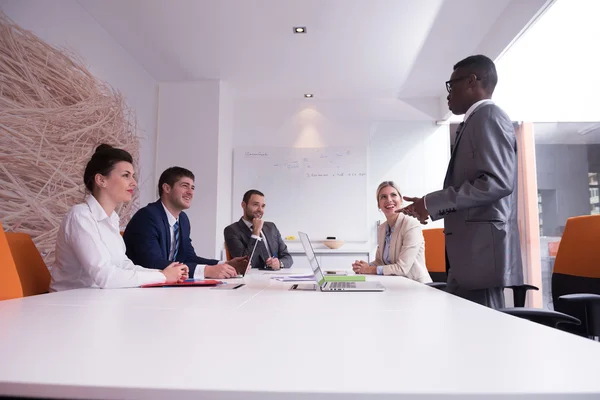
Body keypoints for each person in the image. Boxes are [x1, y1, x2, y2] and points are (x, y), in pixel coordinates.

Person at [400, 55, 523, 308]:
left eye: (451, 84)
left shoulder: (489, 116)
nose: (447, 93)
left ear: (471, 81)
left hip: (480, 255)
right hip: (468, 255)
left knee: (483, 335)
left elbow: (497, 182)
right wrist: (427, 205)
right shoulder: (475, 120)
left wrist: (431, 203)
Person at [50, 145, 187, 292]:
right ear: (101, 180)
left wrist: (162, 273)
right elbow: (105, 276)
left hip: (98, 300)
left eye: (132, 176)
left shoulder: (112, 219)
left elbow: (124, 265)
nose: (134, 182)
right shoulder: (80, 217)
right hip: (68, 305)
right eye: (126, 175)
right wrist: (163, 277)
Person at [124, 167, 247, 279]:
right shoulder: (147, 217)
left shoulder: (183, 219)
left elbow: (188, 258)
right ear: (166, 188)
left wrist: (225, 264)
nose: (190, 192)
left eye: (192, 188)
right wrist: (206, 271)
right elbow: (152, 262)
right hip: (139, 290)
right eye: (185, 186)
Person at [351, 181, 432, 283]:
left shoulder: (411, 224)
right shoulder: (382, 228)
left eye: (393, 195)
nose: (389, 200)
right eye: (383, 197)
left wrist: (369, 269)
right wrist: (363, 266)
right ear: (379, 205)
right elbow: (380, 262)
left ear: (401, 200)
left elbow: (402, 268)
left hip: (415, 285)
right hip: (394, 284)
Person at [224, 189, 293, 270]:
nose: (260, 209)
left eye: (263, 206)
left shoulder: (271, 227)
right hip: (252, 278)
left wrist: (279, 263)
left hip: (275, 277)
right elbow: (244, 263)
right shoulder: (232, 230)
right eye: (256, 205)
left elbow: (287, 257)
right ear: (243, 205)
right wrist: (255, 233)